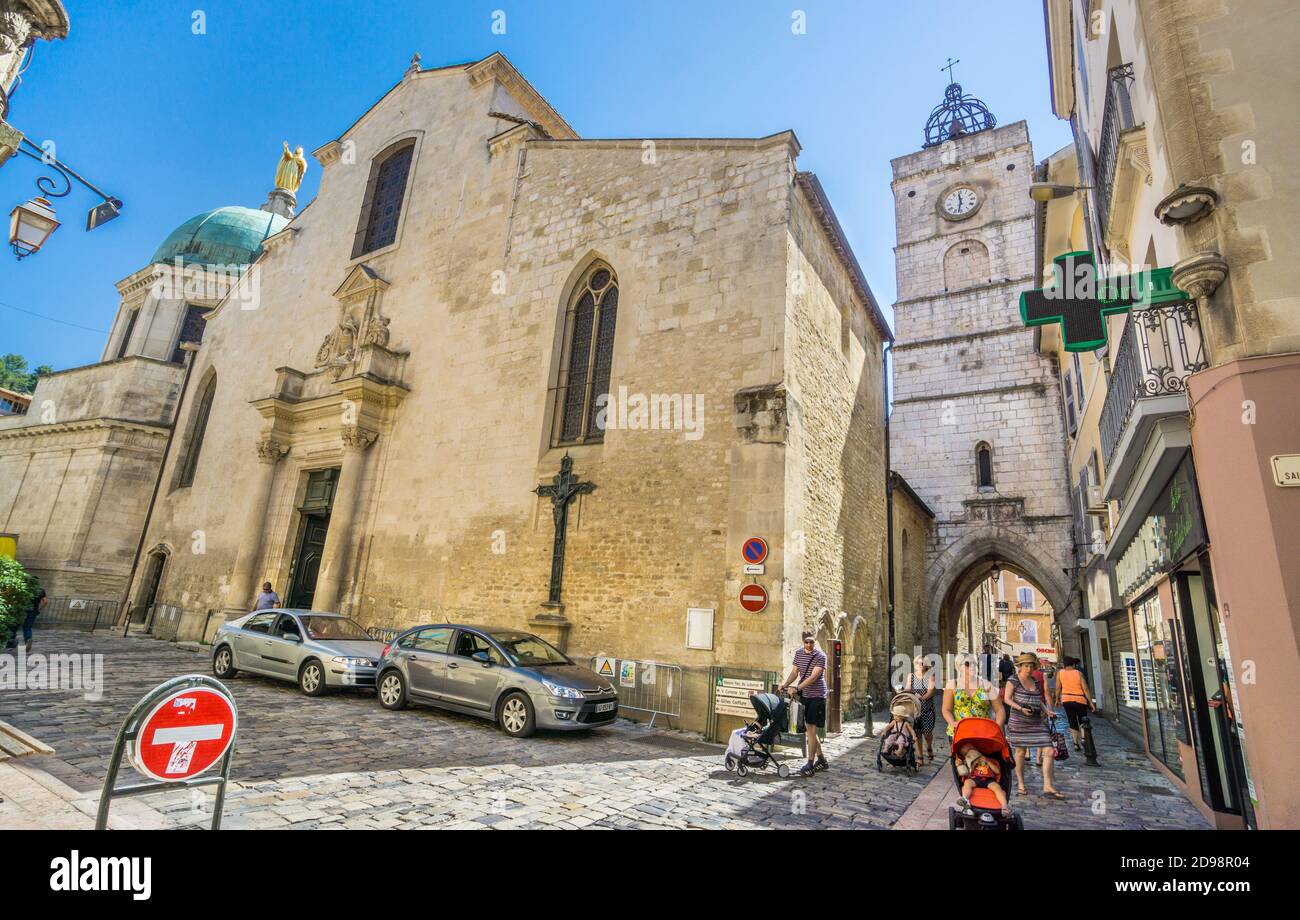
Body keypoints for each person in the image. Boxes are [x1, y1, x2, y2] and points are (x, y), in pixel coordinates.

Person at [1003, 653, 1064, 798]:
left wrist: (1046, 710)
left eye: (1031, 666)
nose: (1029, 669)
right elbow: (1007, 699)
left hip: (1037, 721)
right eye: (1026, 666)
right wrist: (1020, 708)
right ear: (1020, 666)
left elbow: (1038, 699)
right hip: (1019, 721)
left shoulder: (1035, 681)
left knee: (1049, 750)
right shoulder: (1013, 680)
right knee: (1020, 753)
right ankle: (1021, 784)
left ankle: (1048, 785)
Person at [779, 631, 829, 777]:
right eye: (806, 642)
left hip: (817, 695)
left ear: (815, 641)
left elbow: (814, 677)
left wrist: (797, 688)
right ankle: (822, 760)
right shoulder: (799, 653)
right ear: (803, 642)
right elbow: (795, 672)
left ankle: (810, 763)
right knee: (809, 731)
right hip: (805, 695)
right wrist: (785, 684)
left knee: (811, 729)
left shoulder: (820, 656)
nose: (809, 645)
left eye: (811, 642)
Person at [942, 654, 1005, 736]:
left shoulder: (987, 685)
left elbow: (999, 709)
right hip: (959, 732)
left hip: (983, 732)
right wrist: (953, 723)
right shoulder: (953, 684)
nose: (972, 666)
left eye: (974, 663)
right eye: (967, 664)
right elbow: (946, 709)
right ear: (959, 667)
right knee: (969, 749)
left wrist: (997, 728)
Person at [1055, 656, 1097, 751]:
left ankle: (1075, 743)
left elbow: (1058, 687)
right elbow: (1085, 688)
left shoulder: (1060, 673)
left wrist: (1057, 699)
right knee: (1082, 719)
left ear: (1064, 665)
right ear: (1073, 665)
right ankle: (1083, 738)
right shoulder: (1078, 673)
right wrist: (1090, 702)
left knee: (1072, 721)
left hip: (1066, 699)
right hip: (1080, 699)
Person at [907, 656, 937, 764]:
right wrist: (904, 693)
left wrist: (920, 698)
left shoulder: (930, 677)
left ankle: (929, 746)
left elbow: (930, 692)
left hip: (927, 709)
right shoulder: (911, 676)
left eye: (923, 663)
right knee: (917, 733)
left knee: (927, 733)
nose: (921, 665)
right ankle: (920, 758)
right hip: (915, 710)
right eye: (919, 663)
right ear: (915, 664)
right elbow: (908, 689)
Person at [4, 582, 47, 652]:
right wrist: (39, 610)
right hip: (33, 611)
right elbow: (45, 602)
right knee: (27, 627)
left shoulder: (23, 588)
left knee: (14, 626)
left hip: (20, 610)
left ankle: (11, 643)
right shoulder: (41, 590)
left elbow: (14, 599)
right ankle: (28, 639)